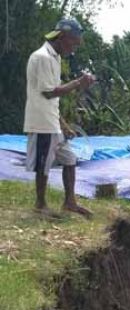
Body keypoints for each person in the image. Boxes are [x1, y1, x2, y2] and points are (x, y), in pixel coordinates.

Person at [24, 18, 95, 217]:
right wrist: (77, 83)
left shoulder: (55, 57)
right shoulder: (42, 57)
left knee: (69, 158)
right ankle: (40, 204)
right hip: (41, 122)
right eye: (73, 43)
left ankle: (70, 202)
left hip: (52, 120)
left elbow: (52, 100)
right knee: (43, 162)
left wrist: (63, 124)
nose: (73, 49)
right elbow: (48, 93)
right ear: (62, 37)